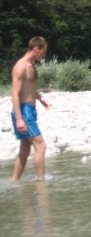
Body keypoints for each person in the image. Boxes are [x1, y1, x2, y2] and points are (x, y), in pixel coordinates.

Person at [11, 36, 51, 181]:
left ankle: (14, 182)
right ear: (36, 49)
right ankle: (40, 182)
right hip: (24, 112)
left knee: (25, 149)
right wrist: (20, 119)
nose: (44, 55)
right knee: (41, 145)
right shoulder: (21, 66)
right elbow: (15, 94)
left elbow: (27, 89)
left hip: (30, 110)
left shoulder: (31, 65)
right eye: (43, 52)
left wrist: (39, 98)